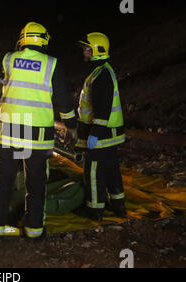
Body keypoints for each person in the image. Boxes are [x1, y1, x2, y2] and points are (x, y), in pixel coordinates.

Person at [0, 22, 77, 238]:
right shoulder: (51, 64)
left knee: (3, 178)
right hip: (38, 136)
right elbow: (64, 100)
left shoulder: (9, 59)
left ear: (23, 39)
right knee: (36, 182)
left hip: (9, 133)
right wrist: (71, 127)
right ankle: (34, 230)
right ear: (44, 39)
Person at [75, 32, 126, 221]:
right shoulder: (102, 71)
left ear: (97, 50)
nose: (84, 52)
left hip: (102, 135)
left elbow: (102, 111)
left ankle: (95, 210)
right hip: (110, 134)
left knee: (94, 171)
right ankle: (119, 205)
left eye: (87, 49)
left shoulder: (100, 75)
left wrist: (94, 135)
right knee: (111, 169)